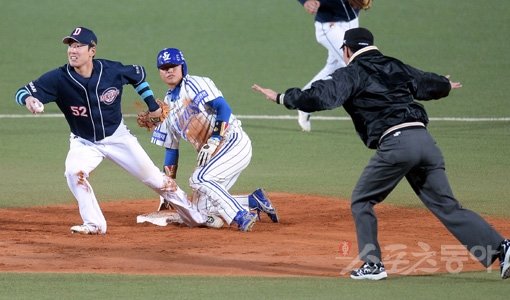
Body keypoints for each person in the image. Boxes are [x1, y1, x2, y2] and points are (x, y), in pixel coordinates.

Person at [252, 27, 510, 280]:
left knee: (362, 200)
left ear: (347, 50)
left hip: (398, 145)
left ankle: (372, 264)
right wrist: (444, 85)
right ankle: (503, 248)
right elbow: (426, 82)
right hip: (426, 143)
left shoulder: (352, 72)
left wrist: (282, 97)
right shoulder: (395, 65)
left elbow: (321, 96)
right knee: (448, 206)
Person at [14, 27, 217, 235]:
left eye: (78, 46)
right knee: (74, 173)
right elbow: (22, 92)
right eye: (70, 46)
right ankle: (94, 224)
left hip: (118, 137)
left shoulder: (111, 70)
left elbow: (137, 75)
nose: (72, 51)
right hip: (84, 142)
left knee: (156, 180)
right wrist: (29, 99)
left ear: (92, 50)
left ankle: (198, 218)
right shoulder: (58, 78)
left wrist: (152, 106)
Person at [150, 47, 279, 232]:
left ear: (182, 66)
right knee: (200, 210)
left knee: (199, 178)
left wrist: (215, 139)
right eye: (164, 67)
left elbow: (223, 108)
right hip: (213, 156)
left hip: (232, 142)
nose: (169, 70)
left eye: (173, 66)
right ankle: (253, 201)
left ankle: (240, 216)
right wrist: (166, 190)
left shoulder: (194, 84)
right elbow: (171, 150)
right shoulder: (166, 107)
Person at [297, 0, 360, 132]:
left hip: (352, 20)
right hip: (330, 25)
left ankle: (303, 101)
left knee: (334, 67)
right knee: (355, 65)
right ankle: (375, 112)